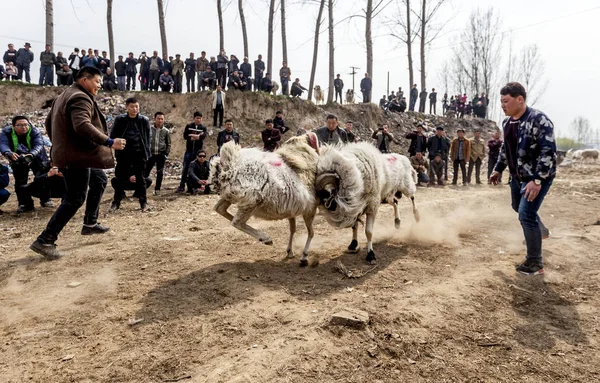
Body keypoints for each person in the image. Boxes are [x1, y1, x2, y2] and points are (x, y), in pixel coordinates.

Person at [30, 66, 126, 259]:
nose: (100, 85)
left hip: (74, 154)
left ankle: (90, 223)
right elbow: (82, 125)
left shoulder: (64, 95)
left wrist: (60, 145)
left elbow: (49, 123)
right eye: (97, 81)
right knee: (75, 197)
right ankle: (45, 240)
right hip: (76, 157)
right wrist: (109, 141)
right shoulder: (79, 97)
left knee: (99, 180)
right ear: (84, 80)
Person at [489, 82, 556, 276]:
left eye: (506, 101)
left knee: (526, 215)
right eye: (501, 101)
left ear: (520, 99)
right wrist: (498, 169)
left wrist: (537, 181)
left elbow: (548, 152)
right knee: (517, 207)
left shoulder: (539, 120)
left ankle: (535, 262)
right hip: (517, 177)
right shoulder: (507, 123)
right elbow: (505, 149)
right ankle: (541, 231)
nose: (502, 105)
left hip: (536, 178)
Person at [109, 98, 151, 212]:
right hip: (124, 153)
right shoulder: (120, 119)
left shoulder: (144, 120)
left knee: (141, 179)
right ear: (127, 107)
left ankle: (144, 203)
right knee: (120, 178)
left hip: (139, 153)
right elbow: (113, 135)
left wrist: (146, 153)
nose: (135, 109)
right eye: (132, 106)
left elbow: (147, 138)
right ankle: (116, 202)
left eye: (137, 106)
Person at [0, 116, 49, 213]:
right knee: (20, 181)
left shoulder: (35, 131)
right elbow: (3, 144)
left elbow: (38, 145)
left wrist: (31, 155)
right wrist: (8, 153)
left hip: (37, 157)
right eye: (20, 125)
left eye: (26, 124)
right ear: (13, 126)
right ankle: (25, 204)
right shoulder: (6, 132)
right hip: (17, 157)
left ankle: (46, 199)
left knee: (42, 177)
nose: (24, 127)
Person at [177, 112, 207, 192]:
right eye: (197, 118)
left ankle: (194, 187)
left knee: (196, 169)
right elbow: (185, 136)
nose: (198, 119)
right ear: (194, 118)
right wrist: (193, 137)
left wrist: (197, 136)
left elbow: (203, 136)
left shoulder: (203, 127)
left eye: (200, 118)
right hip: (189, 151)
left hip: (198, 153)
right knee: (185, 168)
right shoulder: (189, 126)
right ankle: (181, 186)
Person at [146, 112, 171, 196]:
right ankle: (141, 189)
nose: (160, 120)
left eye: (162, 119)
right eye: (158, 118)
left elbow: (168, 144)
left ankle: (157, 189)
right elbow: (146, 141)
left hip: (161, 154)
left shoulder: (166, 131)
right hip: (151, 154)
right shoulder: (149, 129)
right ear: (154, 119)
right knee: (146, 171)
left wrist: (165, 154)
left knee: (160, 173)